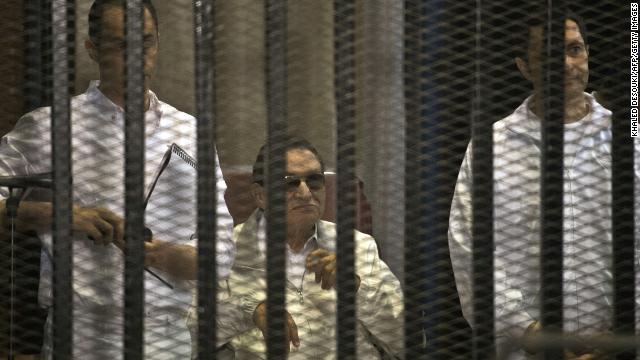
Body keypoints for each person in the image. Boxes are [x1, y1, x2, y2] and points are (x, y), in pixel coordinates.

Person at [0, 0, 234, 358]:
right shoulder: (50, 126)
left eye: (146, 43)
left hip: (168, 335)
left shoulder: (191, 134)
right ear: (93, 50)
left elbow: (221, 255)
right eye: (121, 45)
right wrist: (58, 215)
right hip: (81, 334)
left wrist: (164, 255)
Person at [448, 9, 638, 360]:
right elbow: (470, 250)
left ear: (588, 54)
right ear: (524, 67)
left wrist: (626, 331)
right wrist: (529, 333)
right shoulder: (493, 147)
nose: (566, 64)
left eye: (574, 49)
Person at [188, 137, 404, 359]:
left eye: (314, 181)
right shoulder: (223, 252)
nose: (305, 193)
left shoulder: (358, 246)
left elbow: (406, 340)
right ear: (260, 195)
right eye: (289, 182)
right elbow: (190, 335)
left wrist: (358, 288)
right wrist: (249, 311)